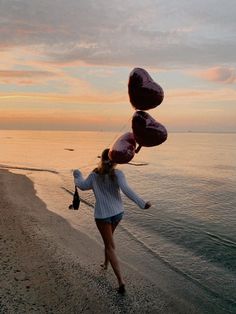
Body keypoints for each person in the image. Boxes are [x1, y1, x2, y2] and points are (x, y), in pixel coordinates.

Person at [73, 148, 151, 294]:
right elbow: (127, 189)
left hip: (103, 215)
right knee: (109, 242)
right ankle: (106, 264)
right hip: (118, 213)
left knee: (110, 246)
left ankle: (121, 282)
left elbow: (82, 186)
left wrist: (77, 174)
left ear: (101, 159)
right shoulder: (118, 174)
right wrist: (142, 203)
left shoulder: (95, 174)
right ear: (115, 160)